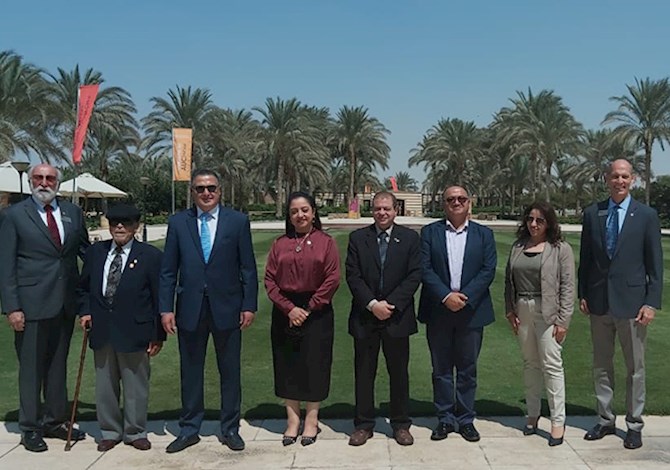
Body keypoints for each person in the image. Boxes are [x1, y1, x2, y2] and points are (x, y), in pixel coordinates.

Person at [159, 169, 258, 453]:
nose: (206, 193)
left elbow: (247, 269)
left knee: (230, 371)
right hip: (189, 308)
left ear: (219, 190)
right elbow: (168, 271)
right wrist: (166, 308)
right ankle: (189, 429)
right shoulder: (178, 223)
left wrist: (248, 304)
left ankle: (230, 428)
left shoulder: (237, 222)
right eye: (200, 188)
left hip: (227, 307)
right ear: (192, 192)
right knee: (190, 372)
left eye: (211, 188)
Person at [0, 163, 89, 452]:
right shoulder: (14, 216)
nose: (44, 182)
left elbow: (85, 253)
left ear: (58, 183)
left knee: (56, 367)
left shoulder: (72, 213)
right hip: (30, 305)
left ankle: (54, 421)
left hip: (65, 303)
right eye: (38, 177)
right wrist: (12, 307)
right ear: (30, 181)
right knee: (32, 369)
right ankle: (30, 427)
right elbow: (6, 265)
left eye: (50, 178)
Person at [579, 159, 663, 450]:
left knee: (635, 368)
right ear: (606, 179)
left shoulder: (647, 216)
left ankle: (634, 424)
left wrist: (651, 303)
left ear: (633, 180)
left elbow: (655, 264)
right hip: (599, 301)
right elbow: (586, 259)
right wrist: (583, 293)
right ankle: (604, 419)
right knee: (601, 365)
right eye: (615, 176)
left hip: (632, 304)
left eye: (625, 176)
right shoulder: (593, 213)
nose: (620, 181)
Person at [78, 204, 165, 452]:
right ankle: (110, 431)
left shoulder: (150, 256)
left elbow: (159, 297)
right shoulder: (95, 253)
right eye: (115, 222)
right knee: (105, 386)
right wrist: (84, 311)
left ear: (135, 226)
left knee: (136, 385)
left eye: (125, 222)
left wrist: (157, 335)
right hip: (102, 329)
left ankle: (135, 431)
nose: (119, 227)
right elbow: (83, 288)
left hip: (136, 331)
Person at [418, 185, 496, 443]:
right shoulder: (430, 232)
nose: (456, 202)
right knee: (440, 369)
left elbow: (488, 270)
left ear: (469, 202)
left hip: (471, 311)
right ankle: (444, 419)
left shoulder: (484, 234)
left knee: (467, 369)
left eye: (461, 198)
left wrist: (464, 297)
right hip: (439, 309)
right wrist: (446, 296)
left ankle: (465, 420)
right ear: (444, 204)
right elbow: (425, 268)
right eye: (451, 199)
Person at [264, 191, 340, 447]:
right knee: (287, 365)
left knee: (314, 364)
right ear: (289, 215)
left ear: (313, 212)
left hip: (316, 312)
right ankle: (292, 419)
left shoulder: (326, 242)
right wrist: (289, 309)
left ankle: (312, 419)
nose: (300, 215)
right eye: (295, 211)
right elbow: (270, 281)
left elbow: (332, 278)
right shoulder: (279, 244)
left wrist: (307, 308)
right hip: (285, 312)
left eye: (305, 210)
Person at [345, 191, 421, 447]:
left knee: (399, 373)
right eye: (377, 208)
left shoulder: (410, 238)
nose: (382, 213)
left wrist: (391, 304)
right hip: (365, 317)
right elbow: (353, 276)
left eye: (386, 208)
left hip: (397, 317)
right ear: (372, 210)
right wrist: (372, 304)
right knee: (364, 374)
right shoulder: (358, 238)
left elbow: (414, 275)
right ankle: (364, 425)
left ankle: (400, 424)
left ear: (395, 210)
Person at [504, 201, 575, 447]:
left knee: (552, 365)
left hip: (549, 312)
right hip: (522, 309)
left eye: (540, 220)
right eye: (530, 219)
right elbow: (508, 281)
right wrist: (510, 311)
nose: (534, 224)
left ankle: (558, 421)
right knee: (530, 364)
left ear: (549, 223)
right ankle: (533, 414)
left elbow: (568, 286)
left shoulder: (560, 248)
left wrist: (563, 320)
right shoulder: (517, 247)